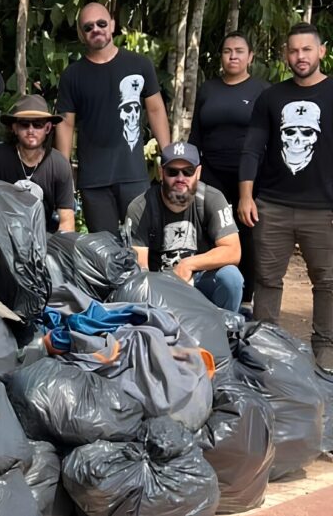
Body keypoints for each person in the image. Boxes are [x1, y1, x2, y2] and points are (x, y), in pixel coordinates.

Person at [239, 22, 333, 368]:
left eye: (307, 49)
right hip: (272, 205)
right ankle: (265, 349)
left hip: (323, 209)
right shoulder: (271, 97)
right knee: (266, 280)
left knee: (328, 282)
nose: (300, 56)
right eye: (293, 50)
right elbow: (252, 150)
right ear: (285, 55)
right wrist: (246, 196)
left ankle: (326, 353)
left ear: (321, 51)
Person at [55, 2, 171, 236]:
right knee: (103, 251)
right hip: (93, 180)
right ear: (81, 34)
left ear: (113, 25)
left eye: (101, 23)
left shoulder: (139, 64)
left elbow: (156, 109)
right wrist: (62, 170)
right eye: (88, 27)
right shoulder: (72, 75)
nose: (96, 29)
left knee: (141, 245)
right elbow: (66, 123)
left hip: (134, 174)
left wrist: (167, 156)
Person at [188, 31, 268, 309]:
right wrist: (191, 169)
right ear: (220, 56)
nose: (233, 56)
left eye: (239, 51)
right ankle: (212, 289)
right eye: (227, 51)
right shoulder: (208, 89)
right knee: (210, 230)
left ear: (250, 57)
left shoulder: (261, 90)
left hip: (249, 176)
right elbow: (195, 135)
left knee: (246, 232)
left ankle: (245, 299)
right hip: (211, 173)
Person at [125, 142, 242, 312]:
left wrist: (188, 265)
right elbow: (140, 271)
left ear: (198, 173)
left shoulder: (212, 199)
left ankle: (226, 333)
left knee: (231, 277)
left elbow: (233, 251)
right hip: (160, 285)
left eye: (188, 171)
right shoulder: (140, 207)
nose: (180, 178)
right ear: (161, 172)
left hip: (200, 279)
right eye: (173, 171)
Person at [0, 95, 75, 233]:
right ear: (14, 128)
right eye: (24, 124)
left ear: (47, 128)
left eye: (38, 124)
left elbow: (67, 221)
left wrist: (56, 251)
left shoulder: (59, 164)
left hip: (42, 240)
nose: (31, 130)